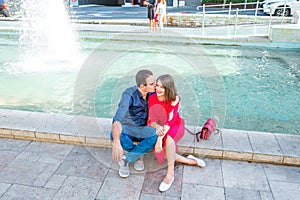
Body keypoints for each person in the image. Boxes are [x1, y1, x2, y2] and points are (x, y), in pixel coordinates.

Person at [147, 74, 206, 192]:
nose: (158, 89)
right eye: (157, 86)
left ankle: (170, 174)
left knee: (168, 140)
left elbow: (169, 121)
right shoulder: (152, 98)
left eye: (162, 87)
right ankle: (191, 161)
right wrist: (157, 126)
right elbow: (151, 120)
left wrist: (159, 139)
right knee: (163, 154)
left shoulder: (175, 99)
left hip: (174, 125)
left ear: (168, 88)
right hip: (160, 127)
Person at [111, 69, 158, 178]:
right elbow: (118, 118)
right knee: (114, 135)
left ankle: (127, 159)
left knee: (155, 134)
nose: (155, 85)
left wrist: (176, 100)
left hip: (143, 128)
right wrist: (117, 142)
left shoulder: (153, 92)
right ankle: (139, 155)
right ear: (142, 86)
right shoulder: (128, 94)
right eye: (152, 84)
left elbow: (170, 94)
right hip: (128, 127)